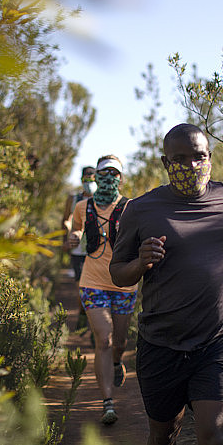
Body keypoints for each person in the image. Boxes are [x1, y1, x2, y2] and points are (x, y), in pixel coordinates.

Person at [110, 123, 223, 445]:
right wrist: (141, 262)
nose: (191, 166)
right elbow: (118, 273)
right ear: (165, 162)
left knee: (214, 438)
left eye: (199, 157)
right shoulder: (141, 209)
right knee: (164, 436)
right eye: (180, 159)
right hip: (161, 345)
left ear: (210, 157)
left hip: (217, 343)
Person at [68, 155, 136, 425]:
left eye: (114, 172)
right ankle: (107, 402)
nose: (109, 177)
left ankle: (118, 362)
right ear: (96, 175)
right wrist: (73, 236)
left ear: (121, 177)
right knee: (104, 339)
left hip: (124, 284)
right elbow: (74, 229)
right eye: (104, 172)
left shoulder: (131, 207)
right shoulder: (83, 207)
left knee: (119, 342)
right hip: (92, 281)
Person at [61, 165, 96, 330]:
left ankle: (93, 324)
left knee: (95, 287)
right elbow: (65, 219)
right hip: (77, 251)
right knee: (81, 287)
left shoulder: (101, 200)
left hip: (97, 251)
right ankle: (83, 318)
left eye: (92, 178)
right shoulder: (73, 199)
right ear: (81, 180)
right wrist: (65, 240)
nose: (89, 182)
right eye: (86, 179)